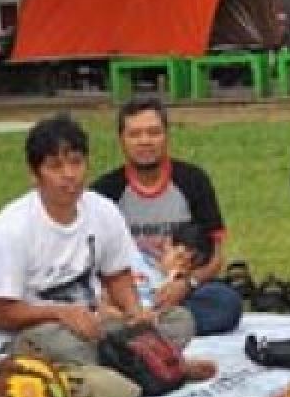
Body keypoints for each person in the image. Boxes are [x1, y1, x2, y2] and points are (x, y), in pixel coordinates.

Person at [0, 113, 195, 367]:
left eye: (75, 163)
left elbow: (117, 275)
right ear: (34, 174)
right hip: (32, 335)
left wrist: (134, 311)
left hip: (93, 325)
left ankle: (138, 364)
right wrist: (58, 313)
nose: (69, 174)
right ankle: (151, 365)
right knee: (72, 349)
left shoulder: (102, 210)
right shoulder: (10, 227)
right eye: (55, 166)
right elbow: (0, 314)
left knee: (179, 321)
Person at [90, 97, 243, 336]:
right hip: (126, 292)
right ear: (122, 140)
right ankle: (153, 324)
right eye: (135, 134)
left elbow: (215, 257)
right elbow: (91, 261)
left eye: (153, 133)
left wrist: (186, 284)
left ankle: (145, 327)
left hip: (180, 289)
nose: (145, 141)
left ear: (166, 136)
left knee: (227, 303)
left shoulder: (193, 181)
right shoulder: (104, 191)